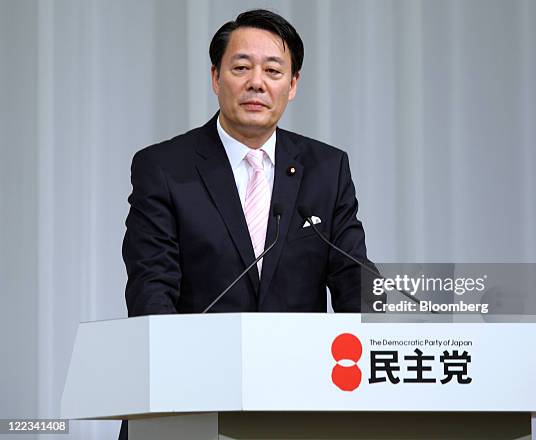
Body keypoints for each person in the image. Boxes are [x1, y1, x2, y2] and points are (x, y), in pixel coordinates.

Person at [119, 9, 374, 439]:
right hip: (190, 401)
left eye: (273, 70)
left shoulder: (326, 169)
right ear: (216, 78)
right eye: (241, 68)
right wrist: (175, 373)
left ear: (292, 86)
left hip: (299, 401)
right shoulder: (164, 167)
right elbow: (151, 287)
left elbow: (355, 283)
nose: (257, 82)